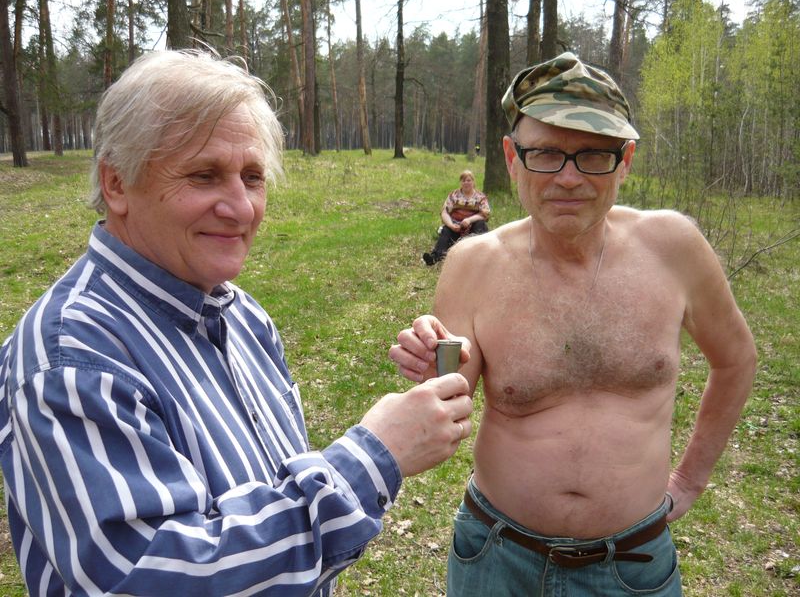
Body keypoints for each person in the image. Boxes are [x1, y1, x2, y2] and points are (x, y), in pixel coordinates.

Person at [0, 49, 474, 597]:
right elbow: (155, 580)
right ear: (117, 184)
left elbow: (268, 494)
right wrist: (373, 459)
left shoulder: (243, 316)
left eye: (252, 177)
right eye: (204, 175)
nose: (242, 208)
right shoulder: (72, 359)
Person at [390, 52, 756, 596]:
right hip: (497, 559)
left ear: (624, 161)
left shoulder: (674, 249)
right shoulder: (473, 264)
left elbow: (736, 359)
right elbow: (451, 396)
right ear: (512, 158)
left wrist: (689, 479)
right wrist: (429, 363)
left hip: (633, 564)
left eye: (592, 155)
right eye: (545, 154)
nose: (568, 178)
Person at [422, 170, 490, 265]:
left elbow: (485, 214)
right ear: (460, 183)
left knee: (481, 224)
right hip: (456, 228)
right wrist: (451, 225)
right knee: (446, 230)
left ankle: (479, 254)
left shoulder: (480, 197)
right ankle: (435, 257)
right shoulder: (454, 195)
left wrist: (469, 220)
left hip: (472, 229)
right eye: (463, 180)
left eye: (468, 180)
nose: (466, 183)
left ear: (473, 182)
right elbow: (444, 212)